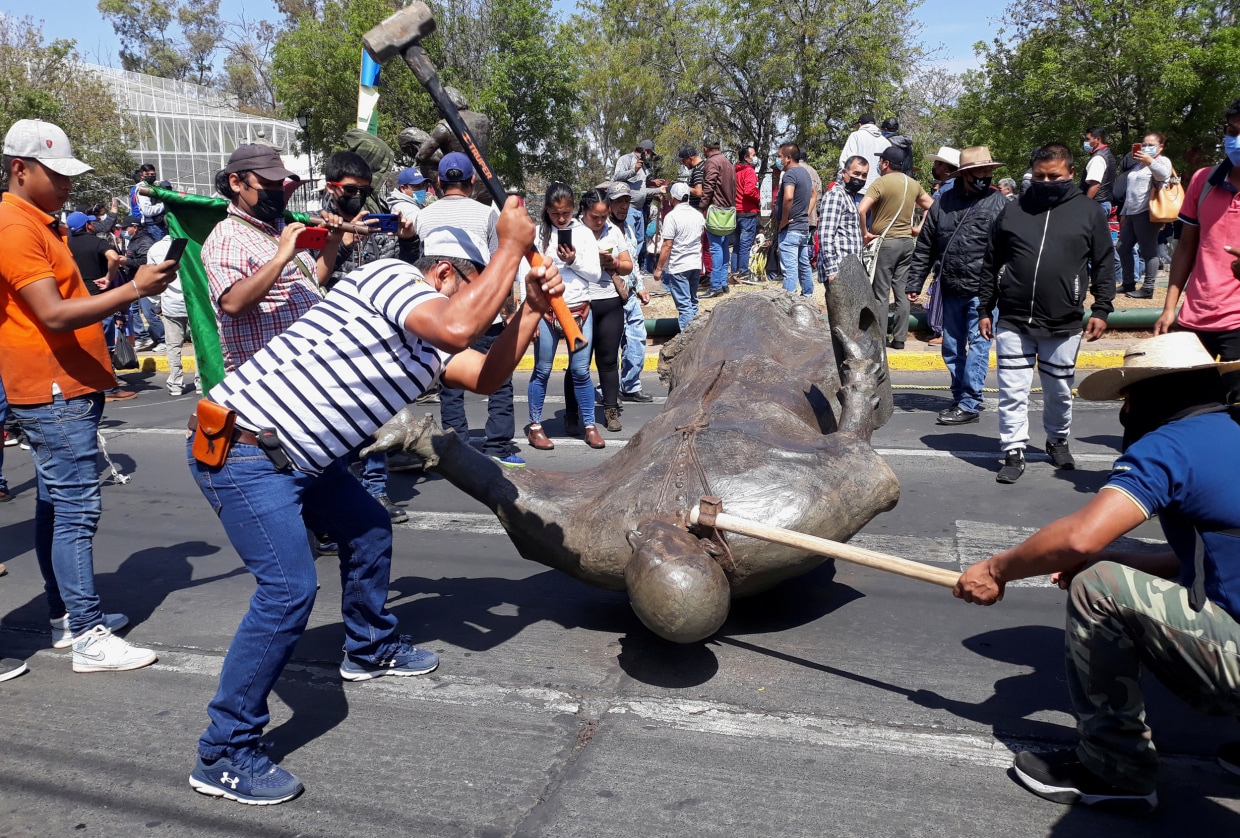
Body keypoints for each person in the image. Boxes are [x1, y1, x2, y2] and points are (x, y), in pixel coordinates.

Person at [186, 198, 564, 805]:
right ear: (443, 274)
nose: (478, 307)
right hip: (244, 450)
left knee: (367, 527)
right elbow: (458, 326)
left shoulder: (429, 334)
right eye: (473, 288)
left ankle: (368, 646)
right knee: (288, 591)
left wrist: (529, 312)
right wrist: (512, 248)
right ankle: (224, 751)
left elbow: (486, 375)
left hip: (305, 460)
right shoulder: (390, 277)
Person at [954, 331, 1240, 814]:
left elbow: (1080, 537)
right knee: (1110, 570)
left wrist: (997, 569)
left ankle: (1115, 770)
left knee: (1097, 588)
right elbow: (1205, 558)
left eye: (1127, 402)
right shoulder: (1232, 432)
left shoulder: (1170, 446)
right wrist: (1120, 560)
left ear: (1140, 398)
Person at [0, 118, 176, 671]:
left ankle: (65, 617)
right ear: (19, 169)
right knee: (76, 509)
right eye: (57, 175)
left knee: (58, 507)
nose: (67, 185)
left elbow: (54, 301)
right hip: (53, 388)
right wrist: (131, 289)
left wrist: (110, 290)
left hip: (62, 383)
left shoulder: (35, 220)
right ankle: (85, 632)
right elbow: (51, 314)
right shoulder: (14, 224)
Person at [978, 143, 1115, 483]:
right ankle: (1012, 449)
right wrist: (985, 307)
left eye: (1054, 176)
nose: (1046, 181)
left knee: (1058, 391)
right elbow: (991, 262)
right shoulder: (1013, 211)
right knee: (1012, 391)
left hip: (1064, 322)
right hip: (1013, 319)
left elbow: (1104, 264)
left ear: (1070, 173)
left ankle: (1057, 439)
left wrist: (1102, 307)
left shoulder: (1088, 211)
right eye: (1039, 176)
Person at [415, 153, 524, 467]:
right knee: (499, 378)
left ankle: (456, 444)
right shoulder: (488, 215)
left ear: (438, 183)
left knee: (449, 380)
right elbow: (500, 266)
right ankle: (500, 447)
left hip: (441, 312)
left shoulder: (424, 216)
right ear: (473, 181)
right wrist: (508, 311)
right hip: (482, 311)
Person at [200, 144, 346, 373]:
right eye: (267, 184)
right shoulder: (226, 237)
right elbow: (233, 303)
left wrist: (333, 241)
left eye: (280, 184)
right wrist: (280, 259)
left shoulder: (280, 226)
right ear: (236, 183)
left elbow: (314, 280)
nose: (277, 191)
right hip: (266, 373)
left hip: (306, 363)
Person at [906, 147, 1009, 425]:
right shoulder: (943, 203)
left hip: (984, 292)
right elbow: (926, 243)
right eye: (981, 172)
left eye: (989, 171)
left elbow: (1013, 247)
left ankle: (970, 401)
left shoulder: (999, 203)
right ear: (965, 174)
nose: (986, 176)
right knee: (951, 346)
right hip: (950, 287)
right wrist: (915, 281)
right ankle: (959, 393)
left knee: (978, 345)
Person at [1156, 99, 1240, 372]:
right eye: (1231, 131)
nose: (1235, 140)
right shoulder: (1203, 180)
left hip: (1237, 326)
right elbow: (1185, 249)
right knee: (1190, 408)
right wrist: (1170, 307)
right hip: (1194, 320)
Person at [527, 183, 604, 450]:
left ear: (574, 209)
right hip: (546, 312)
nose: (561, 218)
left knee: (581, 372)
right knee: (542, 370)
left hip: (579, 311)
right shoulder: (538, 235)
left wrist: (573, 262)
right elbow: (524, 274)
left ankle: (589, 426)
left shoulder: (583, 234)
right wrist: (528, 314)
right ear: (547, 210)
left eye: (566, 212)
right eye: (555, 213)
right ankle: (536, 427)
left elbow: (595, 275)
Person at [562, 187, 632, 433]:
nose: (600, 221)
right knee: (577, 365)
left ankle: (610, 411)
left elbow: (628, 266)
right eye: (595, 217)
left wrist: (613, 263)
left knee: (609, 361)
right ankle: (572, 415)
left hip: (609, 302)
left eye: (604, 216)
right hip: (581, 304)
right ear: (583, 212)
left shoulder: (613, 230)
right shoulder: (570, 231)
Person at [858, 146, 935, 349]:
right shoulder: (913, 184)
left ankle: (880, 338)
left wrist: (865, 234)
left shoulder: (880, 183)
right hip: (907, 243)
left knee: (881, 293)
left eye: (881, 160)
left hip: (886, 243)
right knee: (902, 292)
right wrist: (918, 228)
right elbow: (932, 206)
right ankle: (900, 339)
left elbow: (861, 209)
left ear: (886, 163)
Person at [609, 183, 654, 403]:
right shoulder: (602, 229)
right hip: (609, 296)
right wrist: (617, 281)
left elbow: (633, 261)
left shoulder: (627, 228)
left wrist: (641, 286)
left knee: (637, 338)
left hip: (630, 295)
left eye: (626, 202)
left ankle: (630, 385)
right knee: (608, 346)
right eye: (618, 201)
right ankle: (605, 389)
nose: (623, 206)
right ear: (609, 203)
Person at [147, 236, 197, 397]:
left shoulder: (155, 248)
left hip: (170, 304)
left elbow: (151, 278)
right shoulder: (193, 243)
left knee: (173, 346)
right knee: (198, 345)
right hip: (193, 302)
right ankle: (200, 381)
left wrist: (156, 303)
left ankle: (176, 383)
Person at [654, 182, 704, 330]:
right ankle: (697, 333)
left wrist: (659, 268)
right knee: (693, 301)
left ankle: (688, 340)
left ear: (673, 197)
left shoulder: (672, 217)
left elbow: (667, 245)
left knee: (684, 305)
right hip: (695, 264)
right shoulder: (698, 215)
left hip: (679, 265)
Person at [816, 155, 869, 285]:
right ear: (844, 173)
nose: (860, 178)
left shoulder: (849, 196)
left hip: (851, 270)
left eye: (864, 175)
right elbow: (825, 235)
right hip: (839, 271)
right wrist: (832, 270)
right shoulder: (836, 195)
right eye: (856, 173)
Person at [612, 139, 664, 269]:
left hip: (640, 209)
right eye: (651, 154)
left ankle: (635, 268)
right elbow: (616, 178)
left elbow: (641, 189)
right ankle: (627, 268)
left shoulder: (645, 167)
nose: (651, 157)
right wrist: (633, 170)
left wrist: (658, 190)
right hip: (628, 208)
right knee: (628, 240)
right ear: (645, 151)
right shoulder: (626, 159)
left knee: (639, 240)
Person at [775, 142, 816, 297]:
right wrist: (805, 213)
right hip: (802, 228)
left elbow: (789, 197)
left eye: (780, 157)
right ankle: (808, 297)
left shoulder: (790, 174)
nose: (779, 161)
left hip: (790, 230)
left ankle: (788, 301)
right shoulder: (805, 173)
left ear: (789, 158)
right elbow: (814, 195)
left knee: (790, 269)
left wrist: (784, 220)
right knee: (804, 265)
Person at [122, 217, 167, 353]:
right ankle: (143, 337)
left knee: (149, 312)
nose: (123, 231)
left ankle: (163, 339)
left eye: (126, 228)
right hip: (133, 281)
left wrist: (126, 261)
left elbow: (145, 262)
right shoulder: (133, 241)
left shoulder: (144, 241)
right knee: (133, 311)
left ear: (134, 227)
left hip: (143, 282)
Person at [699, 137, 736, 299]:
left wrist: (702, 207)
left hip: (715, 210)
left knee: (715, 248)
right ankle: (723, 283)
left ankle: (715, 286)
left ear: (706, 149)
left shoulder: (712, 162)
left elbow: (709, 186)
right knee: (723, 246)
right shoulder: (727, 162)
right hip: (728, 210)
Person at [733, 145, 762, 284]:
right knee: (745, 244)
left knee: (737, 245)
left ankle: (734, 272)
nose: (755, 158)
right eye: (753, 155)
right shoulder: (749, 171)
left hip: (736, 211)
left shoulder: (736, 172)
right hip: (748, 211)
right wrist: (758, 199)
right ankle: (743, 272)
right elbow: (749, 191)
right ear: (746, 157)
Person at [838, 114, 890, 188]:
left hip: (857, 187)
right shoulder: (886, 142)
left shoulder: (856, 136)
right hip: (879, 189)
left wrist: (841, 181)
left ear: (859, 125)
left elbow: (846, 160)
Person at [1081, 126, 1118, 216]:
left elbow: (1095, 184)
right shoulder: (1107, 154)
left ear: (1097, 139)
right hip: (1102, 203)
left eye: (1088, 139)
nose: (1085, 142)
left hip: (1097, 204)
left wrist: (1085, 204)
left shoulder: (1098, 158)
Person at [129, 163, 166, 240]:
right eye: (147, 174)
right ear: (142, 175)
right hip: (152, 226)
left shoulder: (152, 187)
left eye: (153, 174)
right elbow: (147, 211)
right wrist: (164, 205)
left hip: (156, 225)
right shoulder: (143, 189)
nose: (151, 176)